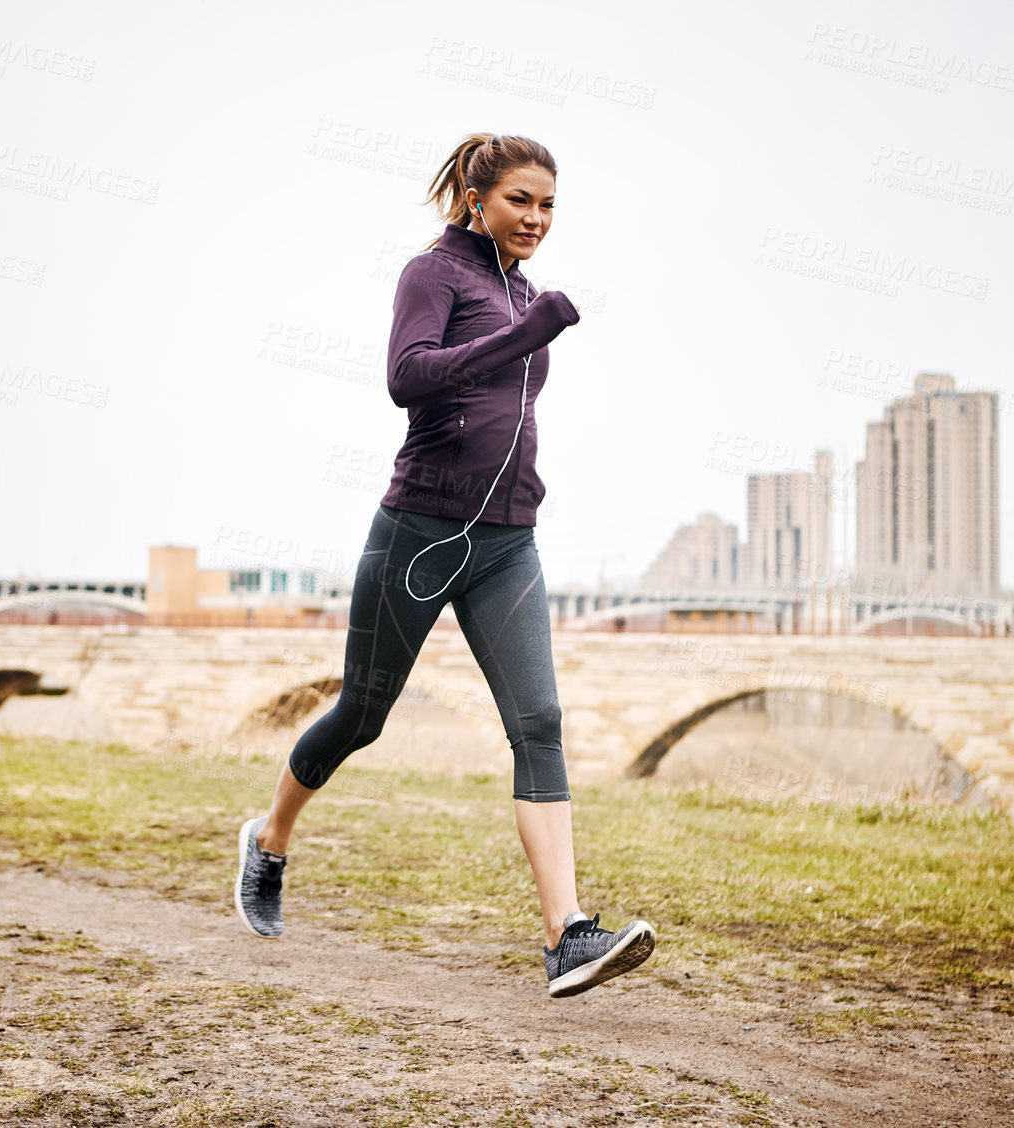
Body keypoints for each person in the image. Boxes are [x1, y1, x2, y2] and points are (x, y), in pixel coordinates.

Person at [234, 132, 655, 998]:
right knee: (362, 714)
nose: (535, 220)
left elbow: (506, 409)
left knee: (537, 723)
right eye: (519, 202)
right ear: (476, 198)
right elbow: (407, 377)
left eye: (547, 207)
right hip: (420, 530)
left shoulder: (522, 288)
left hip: (508, 540)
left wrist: (526, 325)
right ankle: (270, 839)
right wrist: (525, 334)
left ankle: (566, 936)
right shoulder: (434, 274)